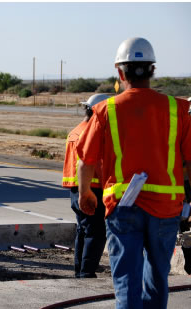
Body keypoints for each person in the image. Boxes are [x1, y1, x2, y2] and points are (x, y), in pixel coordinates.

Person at [77, 37, 191, 309]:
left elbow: (85, 161)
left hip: (123, 206)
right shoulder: (177, 109)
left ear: (120, 72)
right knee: (158, 279)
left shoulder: (105, 110)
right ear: (152, 70)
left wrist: (85, 195)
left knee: (127, 280)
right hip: (166, 208)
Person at [62, 93, 109, 278]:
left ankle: (80, 271)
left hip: (76, 190)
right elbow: (96, 165)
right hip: (92, 190)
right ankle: (87, 273)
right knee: (96, 232)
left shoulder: (75, 131)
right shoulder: (92, 134)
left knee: (83, 230)